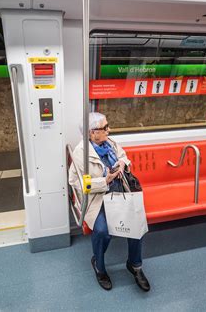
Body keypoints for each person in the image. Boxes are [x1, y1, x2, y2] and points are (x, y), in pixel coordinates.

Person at [68, 112, 150, 292]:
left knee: (136, 225)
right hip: (98, 198)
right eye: (104, 128)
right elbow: (76, 182)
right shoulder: (81, 153)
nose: (109, 130)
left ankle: (135, 265)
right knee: (103, 231)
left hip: (120, 192)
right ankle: (99, 265)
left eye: (107, 126)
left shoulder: (110, 143)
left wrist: (121, 164)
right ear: (91, 133)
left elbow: (123, 156)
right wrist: (104, 181)